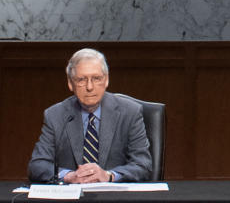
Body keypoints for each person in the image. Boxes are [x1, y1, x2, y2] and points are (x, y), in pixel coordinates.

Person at [27, 48, 152, 183]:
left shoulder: (130, 113)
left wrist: (109, 176)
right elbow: (37, 166)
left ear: (106, 80)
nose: (90, 87)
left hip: (115, 199)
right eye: (81, 79)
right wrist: (69, 176)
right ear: (70, 83)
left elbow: (142, 165)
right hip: (71, 201)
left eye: (96, 78)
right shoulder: (56, 115)